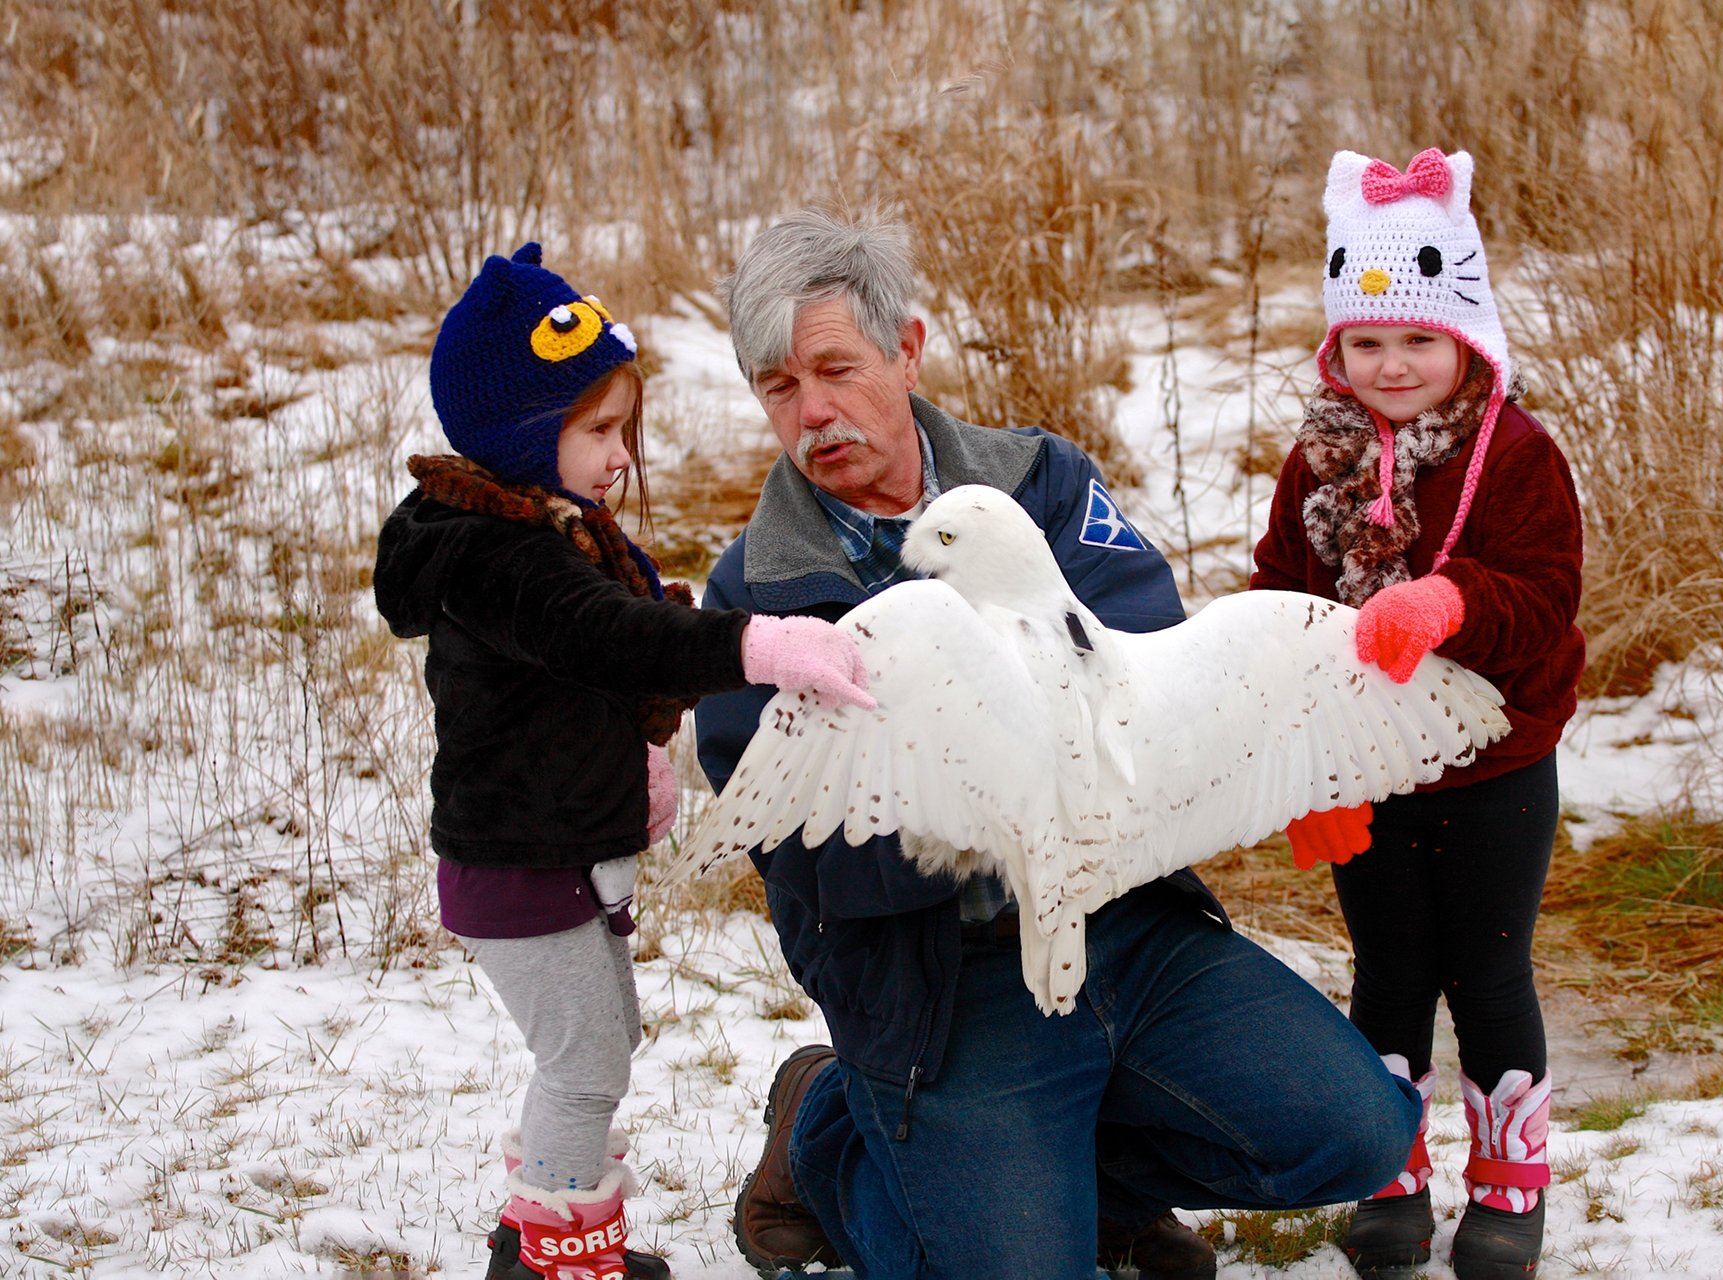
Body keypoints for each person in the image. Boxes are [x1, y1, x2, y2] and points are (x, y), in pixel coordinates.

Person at [694, 208, 1423, 1280]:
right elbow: (808, 848)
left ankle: (1089, 1186)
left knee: (1359, 1130)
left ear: (907, 347)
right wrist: (998, 814)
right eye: (778, 387)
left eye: (835, 368)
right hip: (946, 985)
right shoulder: (756, 595)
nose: (814, 413)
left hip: (1126, 922)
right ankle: (834, 1140)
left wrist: (1054, 800)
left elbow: (1145, 665)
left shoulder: (1042, 484)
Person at [373, 243, 874, 1280]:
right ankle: (562, 1261)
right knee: (587, 1058)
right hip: (520, 865)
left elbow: (615, 628)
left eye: (622, 428)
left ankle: (545, 1226)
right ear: (521, 434)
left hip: (547, 856)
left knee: (601, 1043)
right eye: (598, 430)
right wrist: (761, 645)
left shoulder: (539, 535)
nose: (619, 456)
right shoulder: (497, 559)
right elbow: (613, 638)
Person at [1250, 149, 1585, 1280]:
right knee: (1389, 968)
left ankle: (1510, 1182)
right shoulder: (1318, 463)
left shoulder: (1519, 457)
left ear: (1468, 340)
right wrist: (1301, 758)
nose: (1393, 365)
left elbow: (1544, 597)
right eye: (1367, 341)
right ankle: (1390, 1171)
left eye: (1420, 339)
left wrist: (1451, 598)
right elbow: (1281, 600)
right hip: (1368, 768)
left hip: (1494, 760)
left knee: (1488, 970)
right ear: (1337, 347)